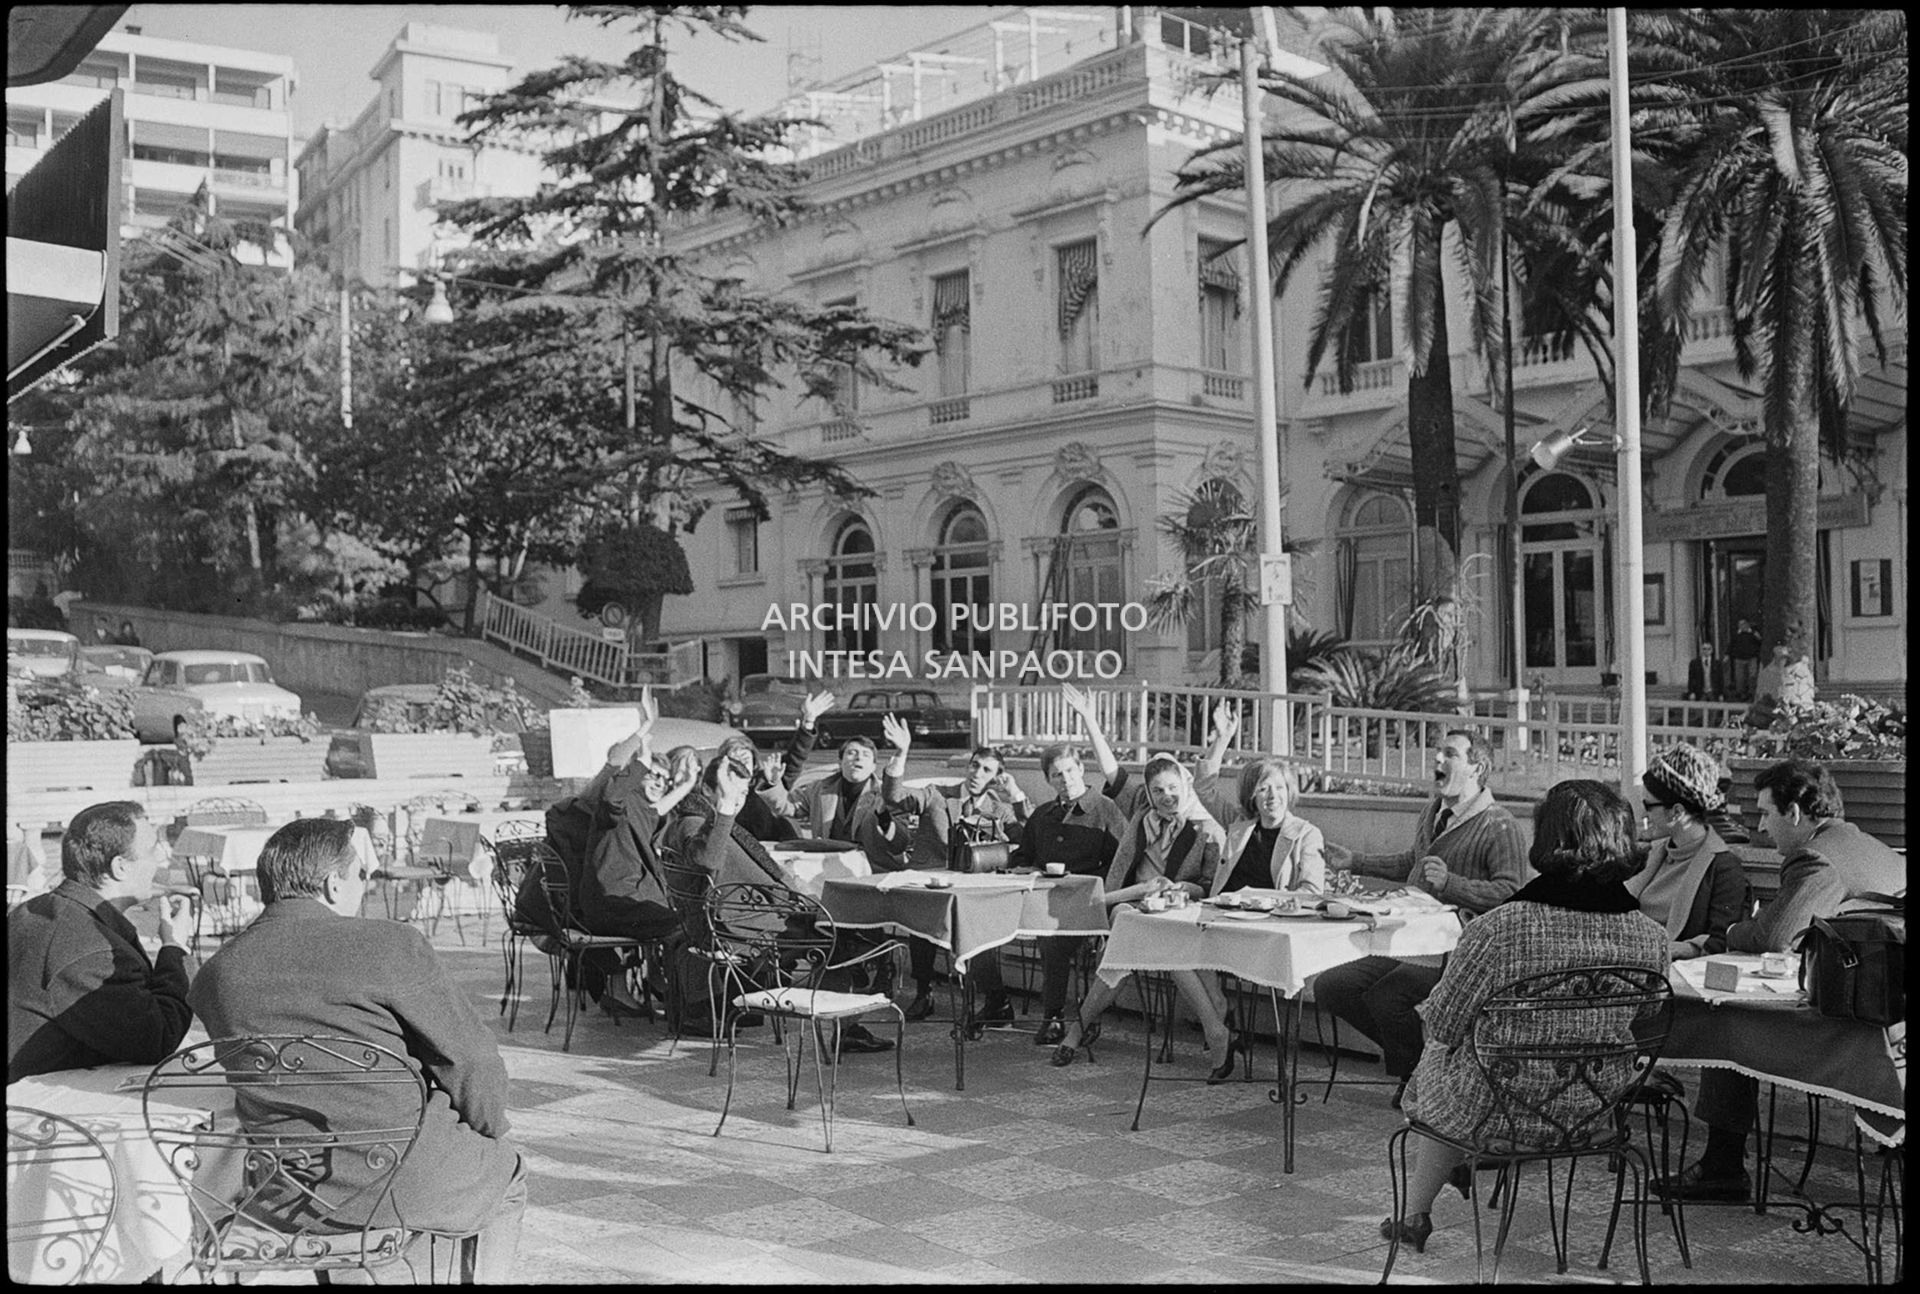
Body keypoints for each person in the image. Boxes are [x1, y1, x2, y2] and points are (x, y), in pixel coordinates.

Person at [188, 819, 526, 1281]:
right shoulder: (389, 944)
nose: (364, 887)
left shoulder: (215, 974)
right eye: (360, 875)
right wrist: (489, 1132)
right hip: (401, 1181)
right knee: (506, 1174)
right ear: (332, 884)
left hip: (291, 1196)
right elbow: (471, 1061)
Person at [1379, 779, 1669, 1253]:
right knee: (1465, 1062)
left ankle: (1417, 1211)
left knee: (1442, 1050)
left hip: (1494, 1111)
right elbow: (1650, 1012)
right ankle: (1448, 1179)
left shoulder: (1499, 928)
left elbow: (1445, 1025)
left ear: (1544, 841)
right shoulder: (1650, 937)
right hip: (1590, 1111)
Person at [1656, 758, 1906, 1203]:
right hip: (1890, 1014)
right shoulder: (1868, 845)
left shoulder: (1814, 857)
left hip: (1857, 1025)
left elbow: (1774, 936)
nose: (1762, 826)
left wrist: (1728, 934)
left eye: (1767, 813)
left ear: (1794, 813)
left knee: (1727, 1018)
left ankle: (1722, 1166)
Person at [1316, 730, 1531, 1107]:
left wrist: (1452, 884)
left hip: (1458, 948)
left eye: (1449, 754)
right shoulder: (1432, 812)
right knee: (1334, 986)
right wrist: (1355, 861)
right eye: (1437, 752)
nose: (1437, 760)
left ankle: (1418, 1075)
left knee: (1387, 997)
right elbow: (1412, 863)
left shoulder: (1500, 825)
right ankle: (1422, 1066)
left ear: (1477, 767)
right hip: (1407, 939)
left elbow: (1511, 893)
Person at [666, 755, 895, 1055]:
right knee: (841, 938)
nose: (738, 800)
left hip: (748, 920)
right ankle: (846, 1028)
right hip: (743, 931)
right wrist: (724, 810)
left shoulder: (705, 822)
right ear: (708, 791)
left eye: (743, 793)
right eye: (730, 791)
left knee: (840, 930)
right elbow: (708, 860)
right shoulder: (696, 824)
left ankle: (846, 1021)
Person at [1051, 756, 1235, 1079]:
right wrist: (1141, 890)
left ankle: (1077, 1030)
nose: (1167, 796)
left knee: (1149, 939)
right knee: (1132, 922)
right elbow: (1118, 875)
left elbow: (1209, 886)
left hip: (1178, 915)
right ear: (1149, 794)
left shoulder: (1205, 828)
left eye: (1173, 788)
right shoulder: (1141, 821)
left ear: (1185, 785)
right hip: (1132, 906)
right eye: (1158, 790)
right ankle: (1215, 1028)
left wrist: (1181, 887)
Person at [8, 801, 196, 1081]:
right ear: (119, 867)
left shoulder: (36, 909)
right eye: (150, 851)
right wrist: (175, 948)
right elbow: (158, 1038)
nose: (159, 861)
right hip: (44, 1107)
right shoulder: (90, 948)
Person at [879, 724, 1031, 1024]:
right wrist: (901, 752)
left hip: (973, 888)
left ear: (995, 777)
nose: (977, 773)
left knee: (975, 930)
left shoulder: (998, 809)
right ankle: (924, 994)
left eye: (987, 770)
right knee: (921, 921)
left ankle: (995, 1000)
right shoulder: (937, 795)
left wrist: (1014, 792)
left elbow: (1028, 837)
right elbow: (894, 796)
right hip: (930, 881)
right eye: (975, 765)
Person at [577, 690, 699, 1019]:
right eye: (653, 776)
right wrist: (644, 738)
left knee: (684, 919)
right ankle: (684, 1005)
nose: (661, 782)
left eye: (665, 779)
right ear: (637, 775)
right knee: (687, 927)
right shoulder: (618, 804)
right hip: (612, 903)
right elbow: (612, 794)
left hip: (620, 900)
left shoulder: (642, 809)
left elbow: (658, 809)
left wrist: (684, 786)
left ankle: (664, 988)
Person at [1009, 743, 1129, 1045]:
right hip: (1047, 901)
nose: (1066, 779)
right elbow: (1023, 856)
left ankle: (1058, 1017)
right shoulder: (1044, 814)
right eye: (1057, 774)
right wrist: (1028, 869)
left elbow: (1124, 861)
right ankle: (1048, 1015)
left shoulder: (1104, 809)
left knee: (1054, 941)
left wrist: (1093, 885)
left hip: (1091, 902)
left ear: (1082, 769)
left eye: (1070, 770)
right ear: (1049, 780)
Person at [1625, 743, 1747, 961]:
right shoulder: (1652, 854)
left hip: (1669, 975)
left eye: (1648, 804)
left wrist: (1676, 949)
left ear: (1676, 812)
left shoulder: (1723, 868)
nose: (1643, 812)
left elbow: (1723, 939)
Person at [1194, 700, 1327, 894]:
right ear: (1252, 795)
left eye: (1280, 788)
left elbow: (1312, 890)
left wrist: (1268, 902)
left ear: (1290, 791)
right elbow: (1203, 788)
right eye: (1263, 789)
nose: (1273, 796)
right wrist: (1222, 739)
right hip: (1226, 912)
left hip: (1272, 918)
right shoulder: (1239, 823)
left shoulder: (1306, 834)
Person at [1727, 618, 1762, 700]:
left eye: (1743, 624)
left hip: (1751, 658)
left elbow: (1760, 642)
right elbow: (1731, 645)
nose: (1741, 626)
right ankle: (1740, 693)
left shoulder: (1753, 634)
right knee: (1739, 677)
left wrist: (1756, 636)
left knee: (1752, 676)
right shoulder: (1736, 635)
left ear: (1747, 625)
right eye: (1739, 625)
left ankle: (1752, 693)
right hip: (1739, 658)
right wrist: (1727, 654)